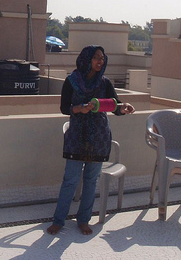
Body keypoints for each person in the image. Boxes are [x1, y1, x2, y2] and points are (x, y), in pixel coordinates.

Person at [47, 45, 135, 236]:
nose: (100, 61)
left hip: (99, 137)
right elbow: (64, 108)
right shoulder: (71, 81)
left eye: (102, 58)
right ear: (86, 59)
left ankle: (83, 220)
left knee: (91, 180)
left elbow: (114, 105)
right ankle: (58, 220)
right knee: (70, 180)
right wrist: (79, 108)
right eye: (96, 57)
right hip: (77, 136)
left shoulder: (104, 83)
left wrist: (123, 107)